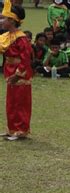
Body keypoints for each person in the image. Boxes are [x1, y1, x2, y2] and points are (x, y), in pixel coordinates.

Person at [0, 1, 33, 141]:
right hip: (9, 71)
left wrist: (18, 74)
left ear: (12, 21)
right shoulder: (6, 36)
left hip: (20, 75)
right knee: (11, 102)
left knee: (21, 103)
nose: (1, 21)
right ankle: (12, 128)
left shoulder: (21, 38)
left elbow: (25, 59)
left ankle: (21, 130)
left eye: (4, 18)